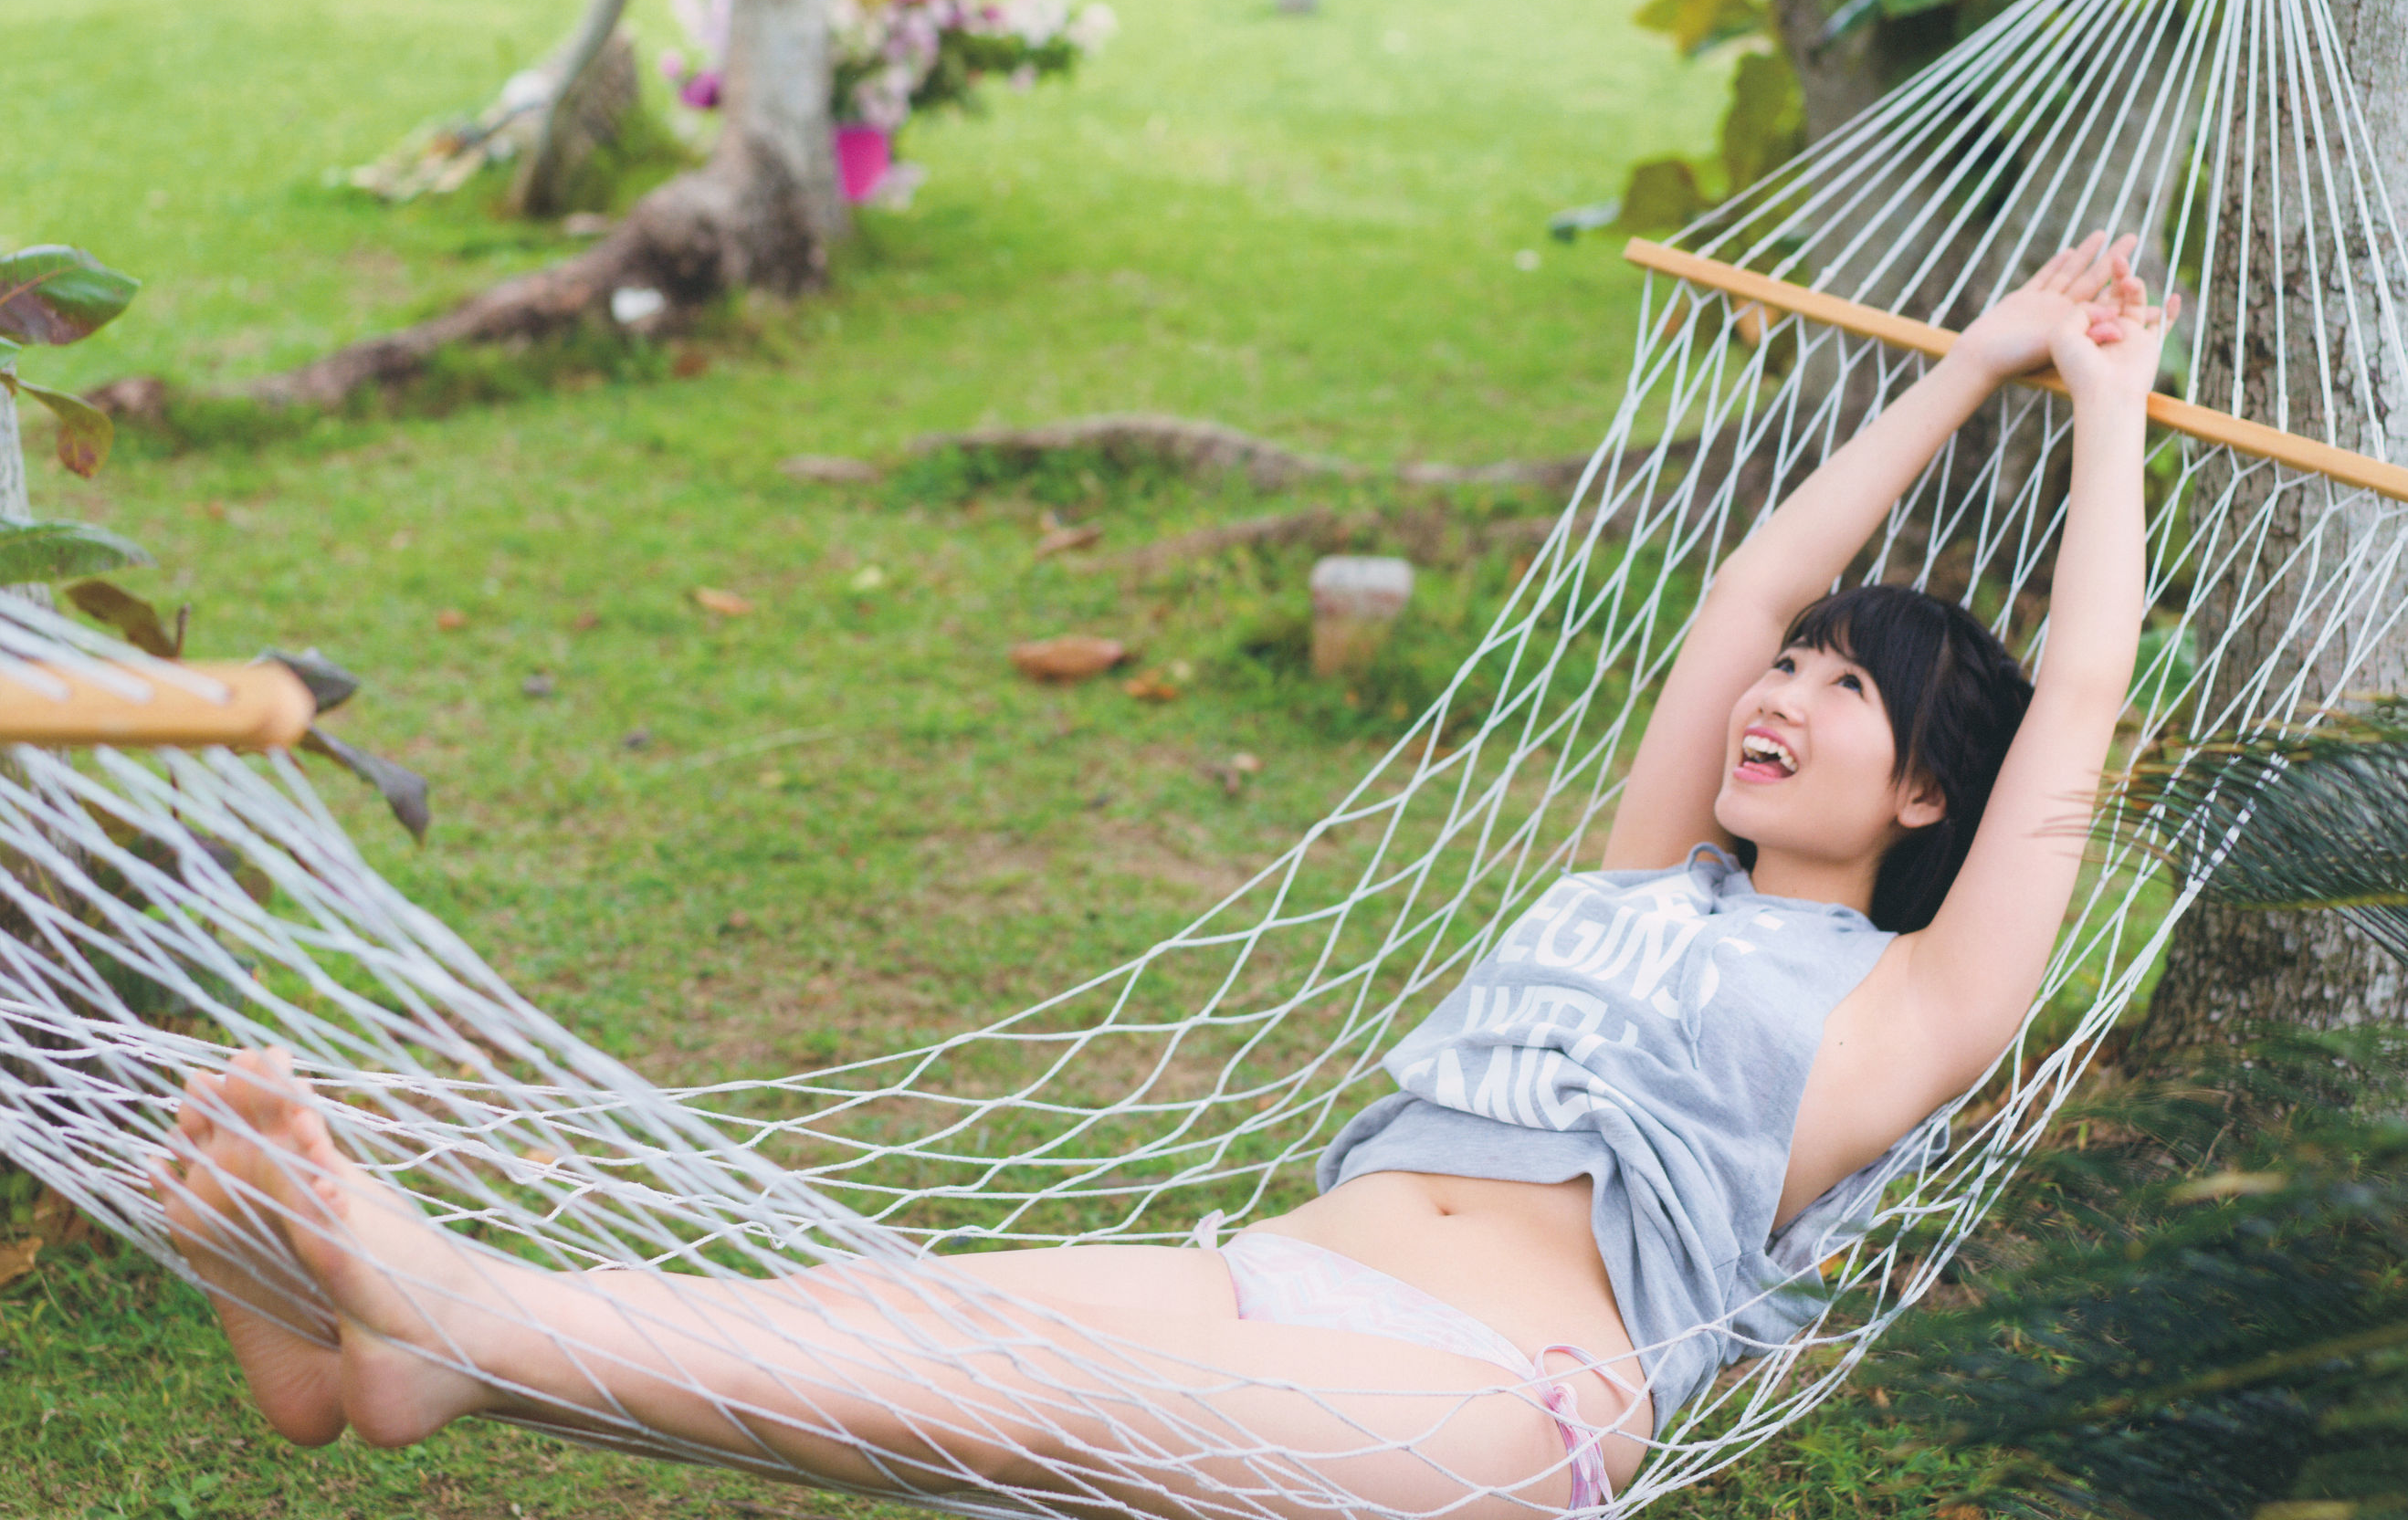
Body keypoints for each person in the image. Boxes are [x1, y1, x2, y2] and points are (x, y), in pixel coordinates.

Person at [156, 234, 2171, 1518]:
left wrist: (2091, 409)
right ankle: (409, 1368)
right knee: (879, 1332)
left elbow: (2079, 686)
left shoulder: (1901, 1012)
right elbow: (1740, 587)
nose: (1780, 698)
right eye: (1790, 676)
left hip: (1492, 1401)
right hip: (1272, 1274)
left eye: (1842, 699)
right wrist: (1966, 354)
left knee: (1025, 1406)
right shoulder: (1641, 881)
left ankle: (449, 1326)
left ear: (1927, 796)